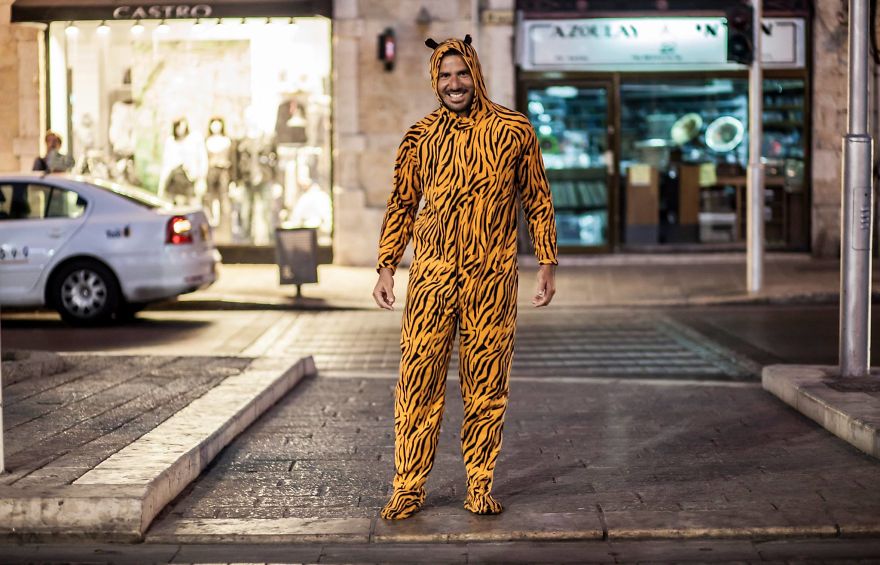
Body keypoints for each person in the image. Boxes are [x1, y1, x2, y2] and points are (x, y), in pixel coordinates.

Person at [372, 34, 558, 520]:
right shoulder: (420, 136)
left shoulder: (514, 130)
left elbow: (537, 198)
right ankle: (408, 487)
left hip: (491, 280)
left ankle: (479, 485)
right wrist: (387, 266)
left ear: (475, 73)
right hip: (431, 280)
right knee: (416, 385)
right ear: (436, 80)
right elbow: (402, 204)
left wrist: (547, 262)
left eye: (461, 73)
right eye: (445, 75)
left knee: (487, 387)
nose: (454, 84)